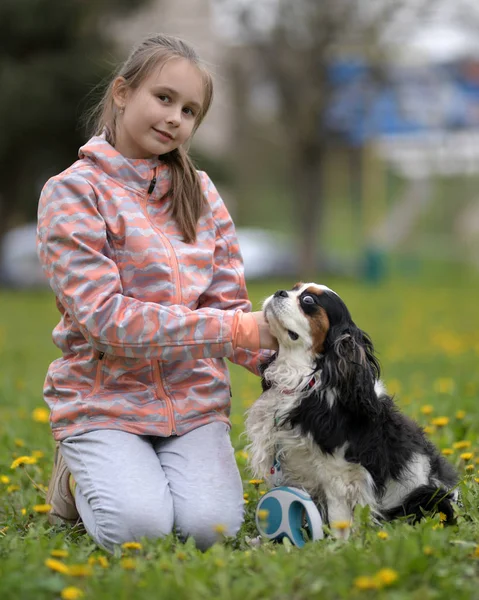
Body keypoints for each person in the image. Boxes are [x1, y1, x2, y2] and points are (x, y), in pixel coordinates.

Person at [37, 34, 277, 553]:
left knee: (210, 531)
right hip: (104, 402)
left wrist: (301, 364)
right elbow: (106, 320)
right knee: (137, 531)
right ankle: (79, 475)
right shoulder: (73, 192)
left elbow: (229, 309)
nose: (175, 118)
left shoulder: (202, 193)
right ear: (122, 92)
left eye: (190, 110)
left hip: (193, 403)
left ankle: (142, 475)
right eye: (163, 98)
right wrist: (231, 328)